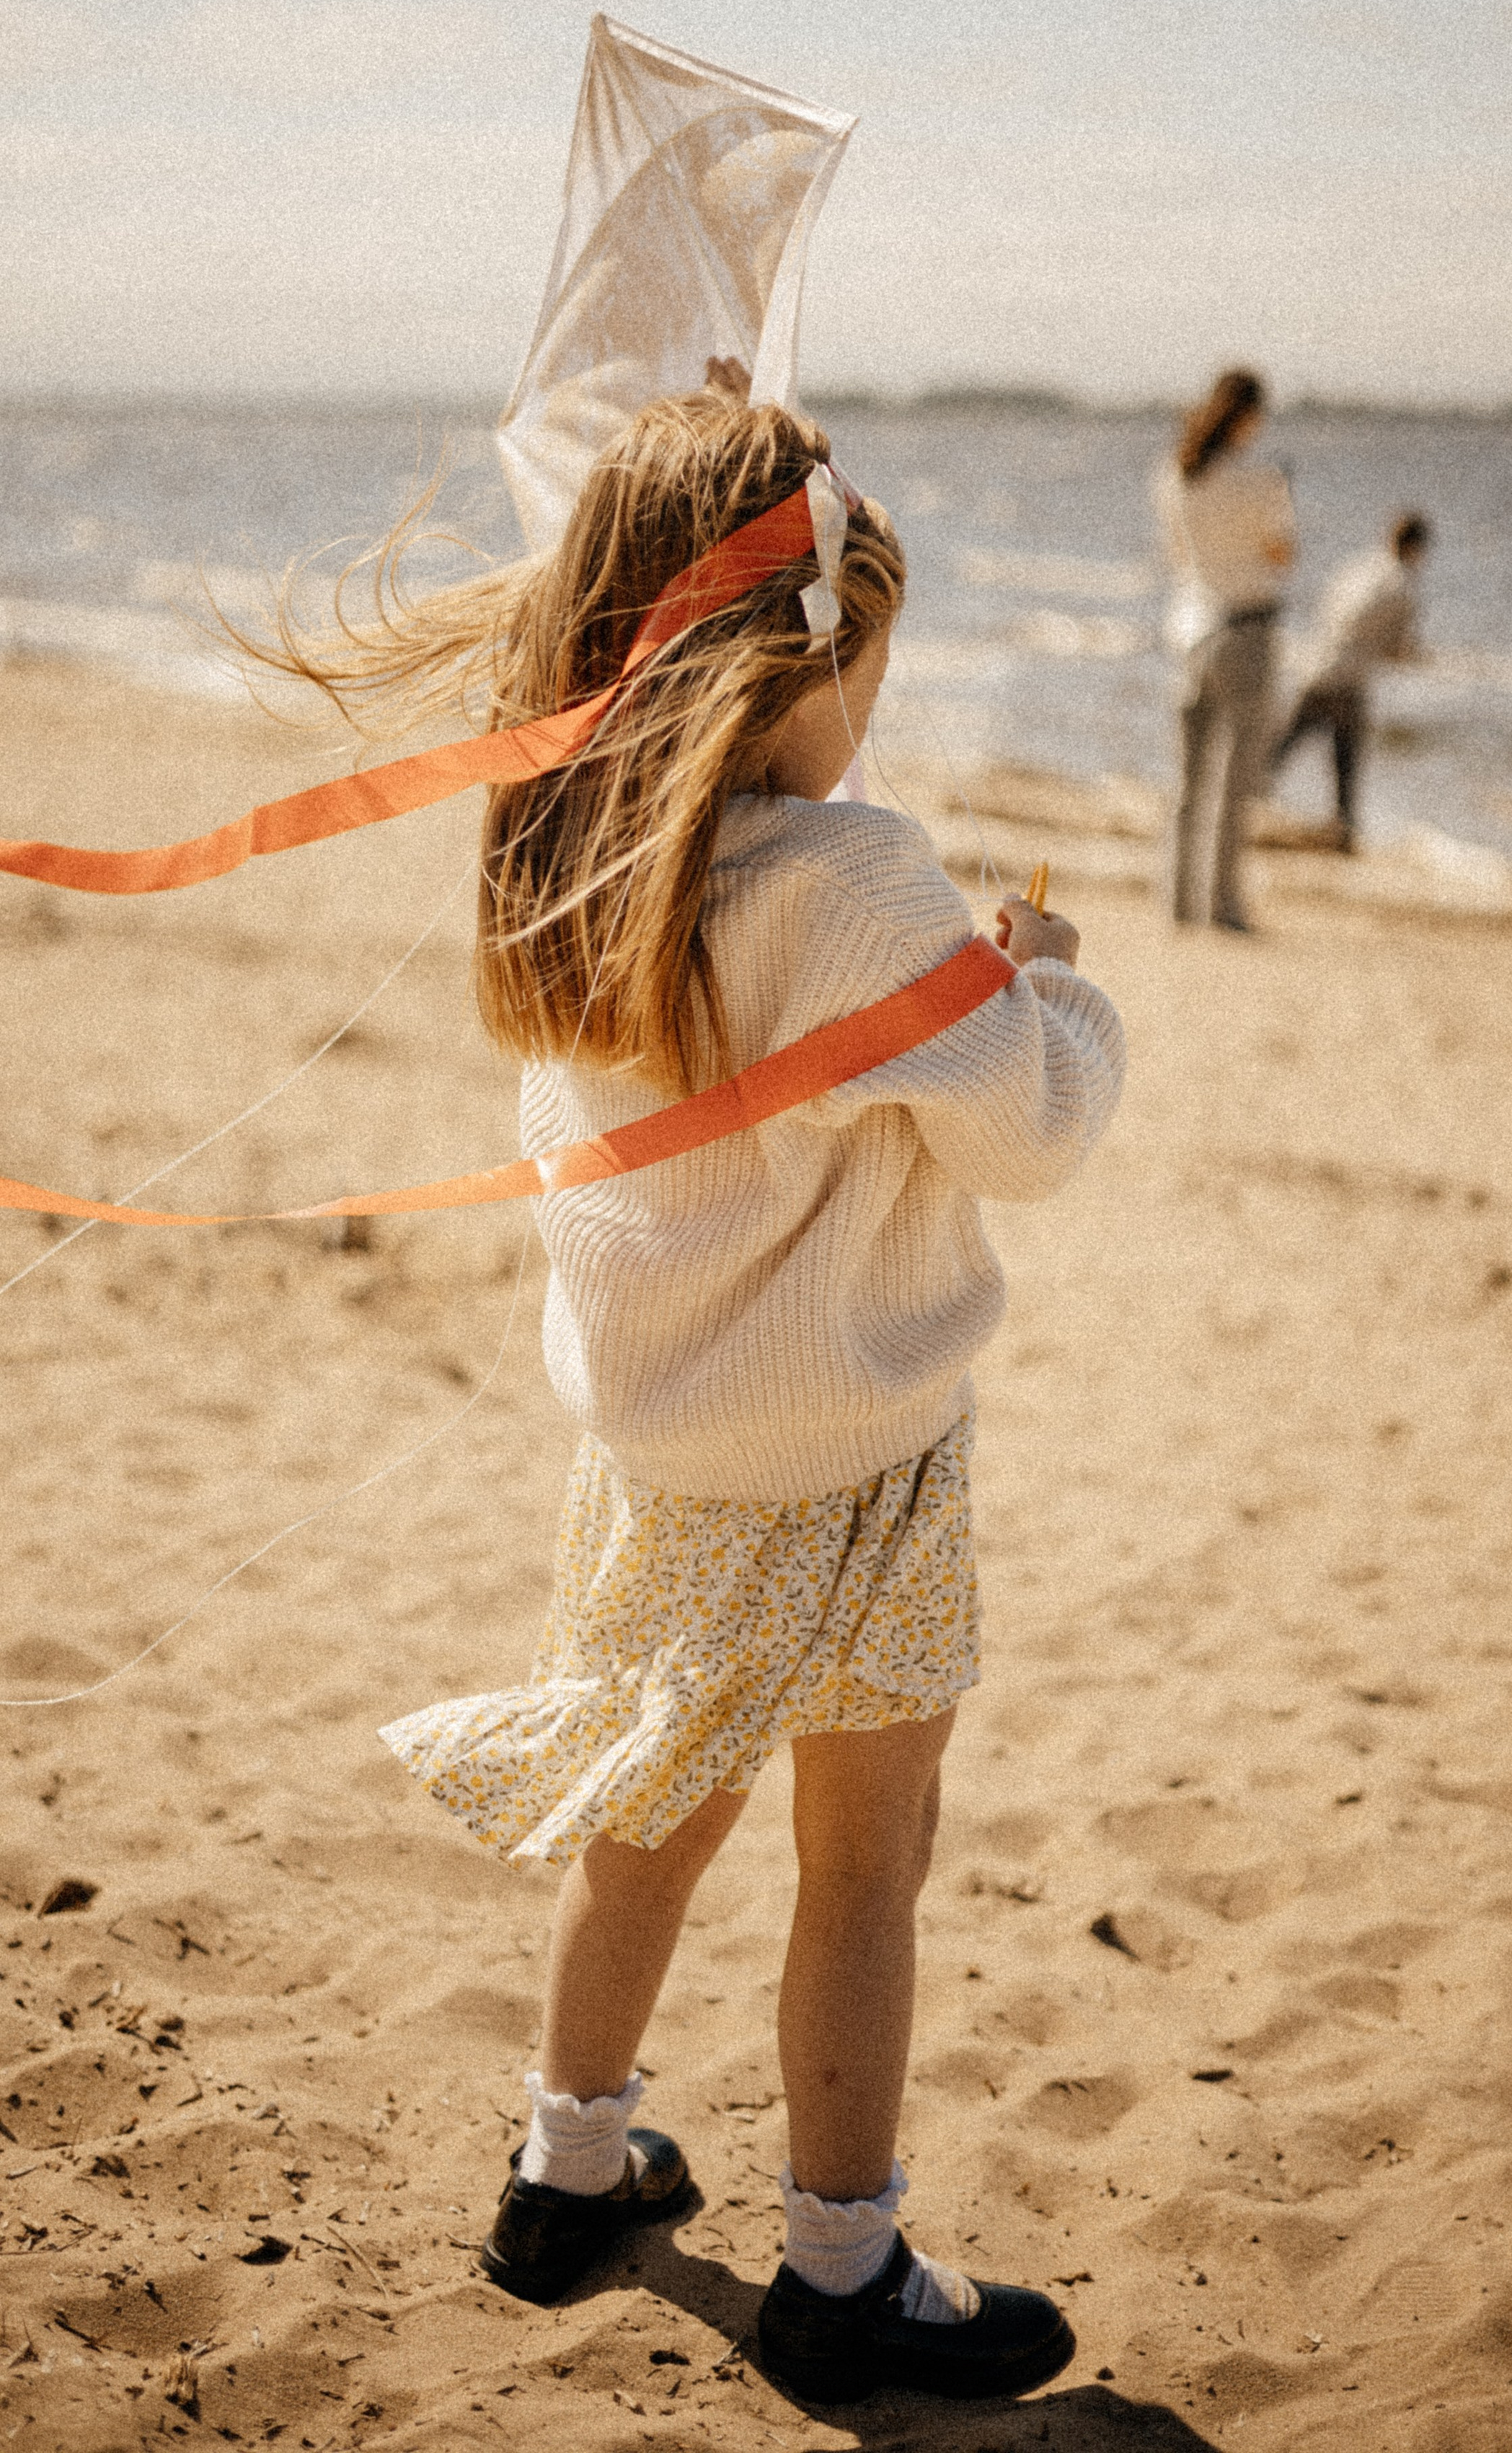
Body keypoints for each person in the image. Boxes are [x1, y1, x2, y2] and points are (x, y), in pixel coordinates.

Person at [254, 384, 1124, 2404]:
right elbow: (1033, 1134)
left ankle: (567, 2168)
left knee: (644, 1827)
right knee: (863, 1864)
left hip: (651, 1463)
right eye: (868, 675)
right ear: (802, 663)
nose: (872, 725)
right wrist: (1047, 980)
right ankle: (844, 2267)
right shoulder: (857, 880)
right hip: (856, 1468)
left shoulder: (569, 864)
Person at [1155, 367, 1296, 930]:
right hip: (1246, 629)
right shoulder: (1261, 481)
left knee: (1188, 783)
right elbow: (1283, 555)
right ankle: (1225, 908)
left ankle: (1179, 905)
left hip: (1191, 629)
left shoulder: (1175, 476)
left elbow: (1179, 558)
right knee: (1233, 784)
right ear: (1247, 415)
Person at [1270, 510, 1431, 845]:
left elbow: (1327, 609)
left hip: (1318, 661)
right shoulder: (1402, 584)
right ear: (1417, 547)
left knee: (1288, 741)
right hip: (1349, 675)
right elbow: (1399, 647)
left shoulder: (1359, 568)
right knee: (1346, 752)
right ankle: (1343, 827)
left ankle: (1244, 795)